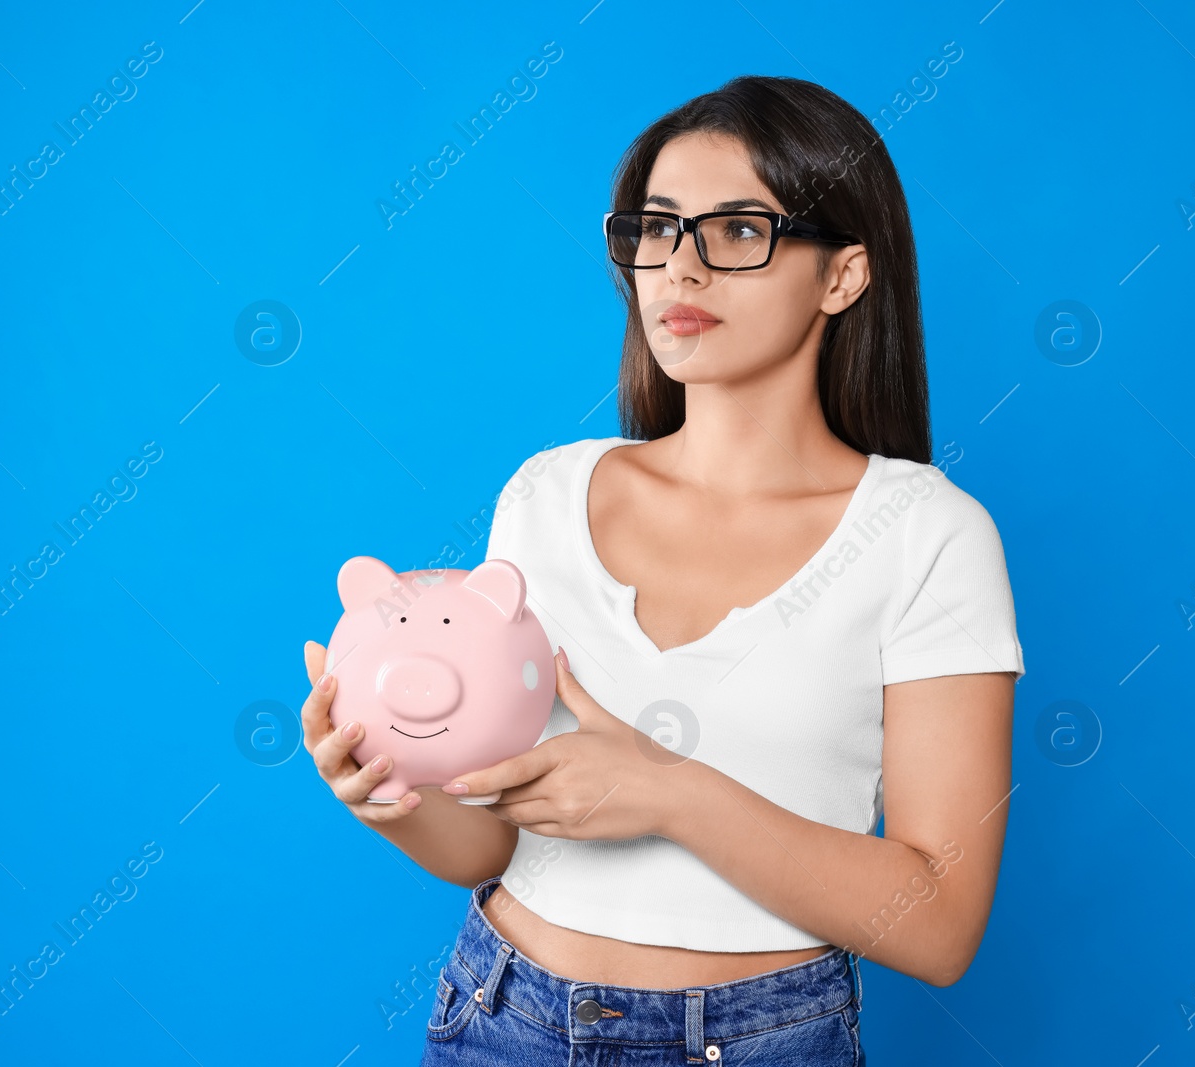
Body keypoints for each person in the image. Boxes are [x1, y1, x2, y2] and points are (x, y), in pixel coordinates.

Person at [302, 73, 1024, 1065]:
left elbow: (938, 924)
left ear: (843, 275)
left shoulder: (924, 535)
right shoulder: (545, 495)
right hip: (502, 1016)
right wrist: (386, 791)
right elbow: (491, 844)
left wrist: (672, 791)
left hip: (760, 1038)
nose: (679, 270)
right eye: (655, 230)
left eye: (736, 231)